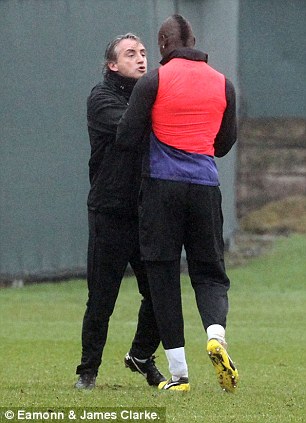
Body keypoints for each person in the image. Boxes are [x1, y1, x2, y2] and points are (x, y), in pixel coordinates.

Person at [116, 15, 239, 392]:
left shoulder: (154, 80)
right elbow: (224, 143)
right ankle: (216, 334)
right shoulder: (223, 84)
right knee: (210, 272)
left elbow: (126, 137)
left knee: (163, 275)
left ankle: (179, 375)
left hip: (161, 190)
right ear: (195, 40)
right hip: (205, 188)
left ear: (162, 44)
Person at [75, 33, 165, 390]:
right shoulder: (101, 98)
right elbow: (133, 130)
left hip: (147, 213)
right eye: (130, 54)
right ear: (113, 65)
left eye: (144, 53)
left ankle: (142, 356)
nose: (141, 59)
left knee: (160, 295)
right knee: (101, 297)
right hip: (110, 212)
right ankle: (87, 371)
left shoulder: (153, 97)